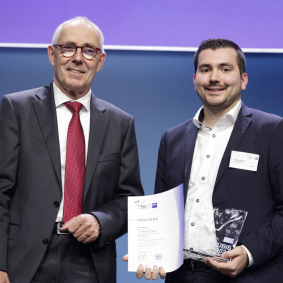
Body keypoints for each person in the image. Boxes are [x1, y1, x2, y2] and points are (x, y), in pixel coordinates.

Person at [125, 39, 283, 282]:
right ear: (195, 79)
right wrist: (150, 251)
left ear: (243, 80)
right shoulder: (172, 138)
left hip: (249, 275)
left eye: (225, 69)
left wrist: (251, 253)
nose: (214, 77)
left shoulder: (272, 130)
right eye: (205, 69)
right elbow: (163, 211)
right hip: (183, 277)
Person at [0, 17, 143, 283]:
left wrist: (100, 221)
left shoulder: (121, 123)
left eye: (89, 50)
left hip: (90, 261)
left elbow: (129, 199)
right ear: (52, 54)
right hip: (24, 259)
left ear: (100, 61)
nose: (78, 58)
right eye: (68, 48)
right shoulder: (16, 109)